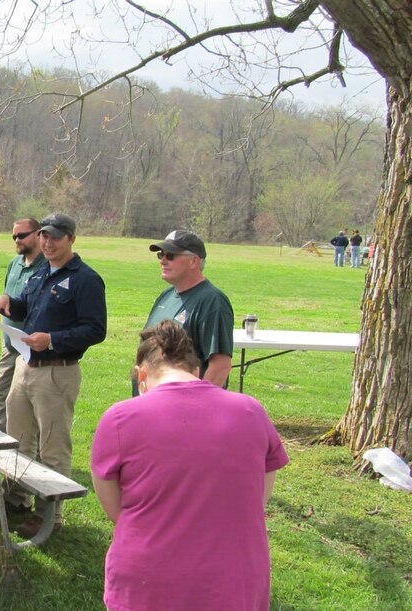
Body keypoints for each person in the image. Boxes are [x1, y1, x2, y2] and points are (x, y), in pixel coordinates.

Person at [90, 320, 289, 610]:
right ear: (196, 371)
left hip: (148, 581)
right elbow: (259, 495)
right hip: (235, 579)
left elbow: (115, 508)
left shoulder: (119, 418)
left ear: (141, 375)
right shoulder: (251, 411)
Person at [0, 213, 106, 538]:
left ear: (71, 239)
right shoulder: (42, 274)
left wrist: (52, 340)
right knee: (18, 438)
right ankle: (16, 500)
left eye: (55, 237)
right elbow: (27, 307)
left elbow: (96, 330)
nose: (48, 243)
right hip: (25, 366)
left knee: (53, 446)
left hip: (57, 372)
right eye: (44, 237)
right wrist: (9, 301)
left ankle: (49, 517)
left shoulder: (85, 279)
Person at [144, 230, 233, 389]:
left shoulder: (212, 301)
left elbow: (220, 366)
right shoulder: (166, 296)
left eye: (170, 255)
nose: (163, 261)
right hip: (152, 403)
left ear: (194, 261)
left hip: (182, 407)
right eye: (161, 255)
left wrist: (199, 406)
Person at [0, 217, 47, 431]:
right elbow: (10, 294)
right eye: (14, 236)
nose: (17, 240)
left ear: (39, 234)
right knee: (1, 396)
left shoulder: (48, 267)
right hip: (10, 344)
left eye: (22, 235)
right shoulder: (15, 263)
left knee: (32, 403)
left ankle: (35, 455)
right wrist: (1, 300)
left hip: (33, 349)